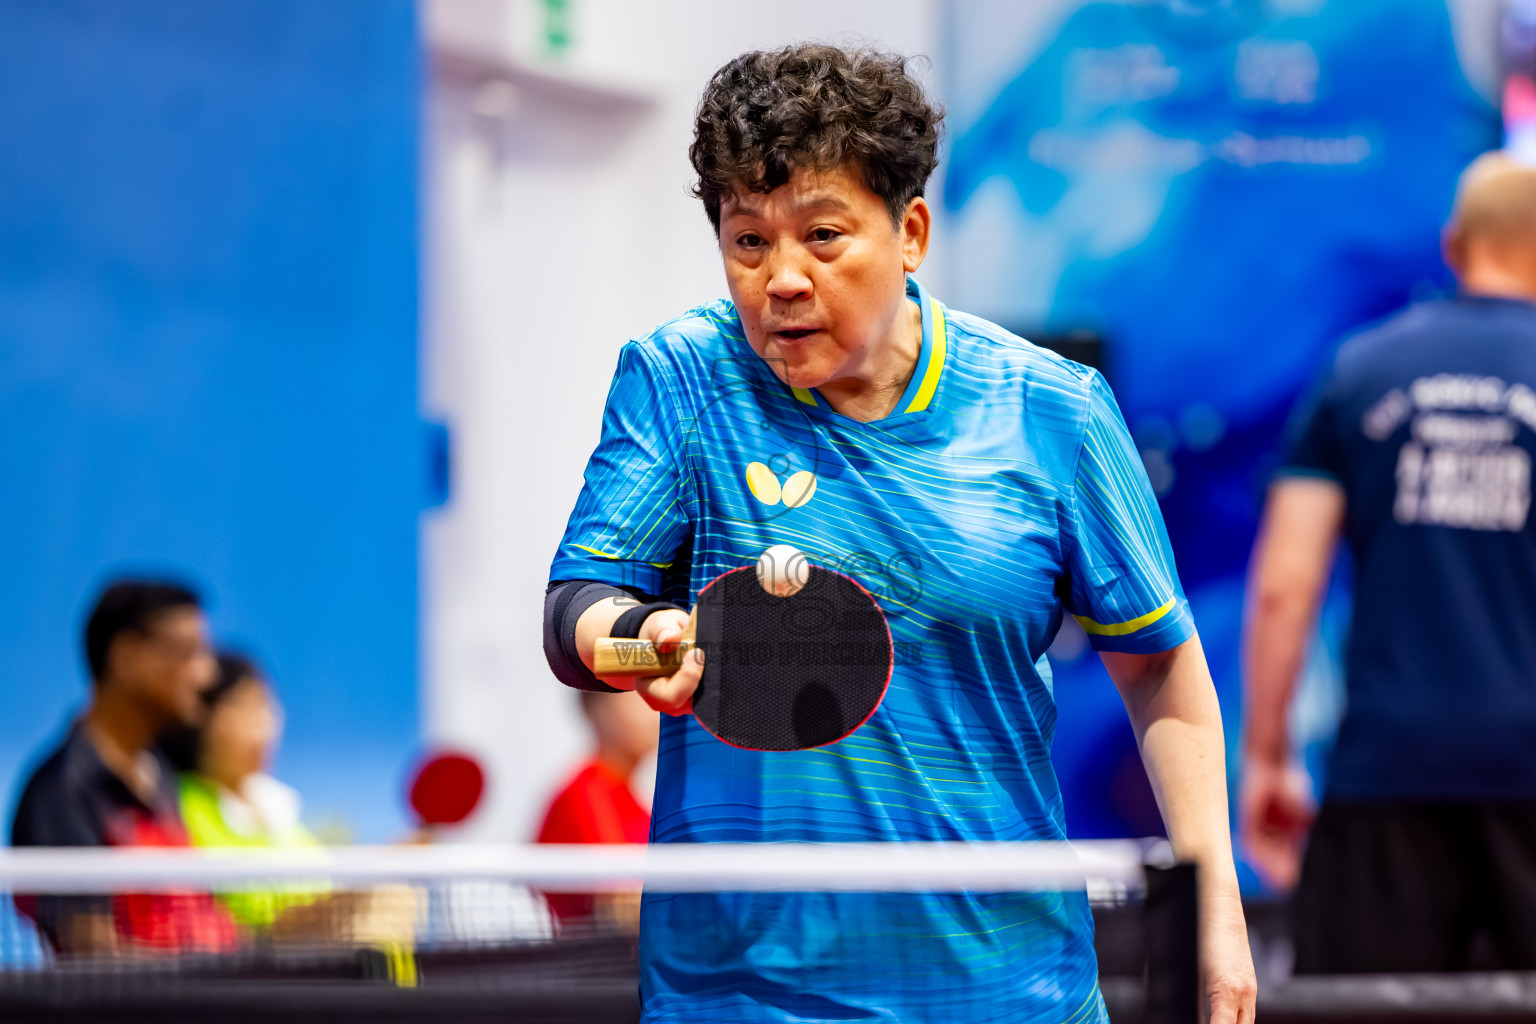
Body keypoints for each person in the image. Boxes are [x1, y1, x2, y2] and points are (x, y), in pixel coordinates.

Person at [542, 44, 1254, 1023]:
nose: (783, 278)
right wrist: (640, 641)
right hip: (743, 995)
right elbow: (579, 604)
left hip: (1005, 989)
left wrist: (1213, 907)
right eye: (748, 242)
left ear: (910, 230)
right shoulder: (682, 378)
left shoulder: (1052, 410)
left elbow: (1160, 670)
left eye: (823, 236)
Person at [1242, 150, 1536, 973]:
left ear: (1454, 243)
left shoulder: (1359, 370)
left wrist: (1267, 756)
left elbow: (1284, 589)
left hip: (1388, 768)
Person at [9, 580, 239, 956]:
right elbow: (90, 957)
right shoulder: (61, 790)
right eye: (189, 653)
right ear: (127, 657)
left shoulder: (161, 773)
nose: (206, 675)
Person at [160, 652, 326, 933]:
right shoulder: (178, 804)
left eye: (266, 707)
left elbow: (333, 887)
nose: (264, 725)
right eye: (246, 707)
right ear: (201, 716)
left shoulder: (280, 809)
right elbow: (244, 908)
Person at [536, 689, 658, 929]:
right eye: (637, 696)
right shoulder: (585, 795)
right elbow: (620, 904)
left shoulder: (635, 804)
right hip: (587, 962)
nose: (655, 710)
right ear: (598, 711)